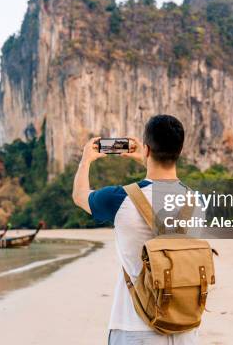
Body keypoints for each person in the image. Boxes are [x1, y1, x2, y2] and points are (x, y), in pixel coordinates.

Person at [72, 115, 199, 345]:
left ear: (147, 149)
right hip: (184, 327)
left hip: (134, 327)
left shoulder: (120, 199)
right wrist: (148, 159)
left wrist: (86, 160)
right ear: (179, 151)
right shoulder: (196, 202)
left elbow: (80, 197)